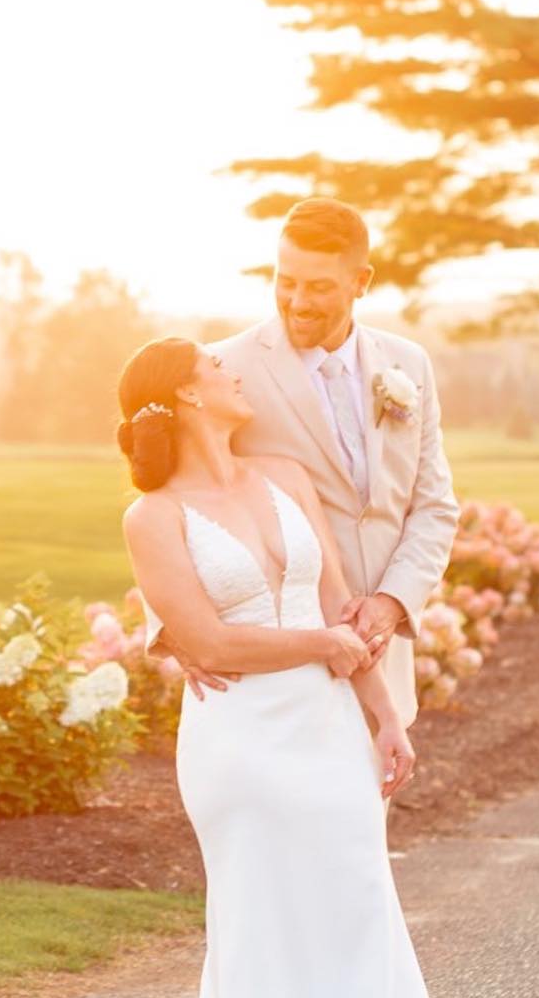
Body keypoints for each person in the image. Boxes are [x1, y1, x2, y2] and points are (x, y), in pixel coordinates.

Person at [118, 335, 488, 998]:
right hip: (239, 743)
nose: (233, 371)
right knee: (261, 929)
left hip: (326, 730)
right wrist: (320, 649)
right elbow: (205, 641)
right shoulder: (153, 517)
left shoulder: (283, 474)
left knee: (359, 912)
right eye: (215, 369)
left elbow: (332, 606)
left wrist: (380, 710)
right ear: (188, 398)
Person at [165, 197, 459, 732]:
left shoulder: (409, 364)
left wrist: (392, 603)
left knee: (369, 815)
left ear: (361, 281)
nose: (297, 301)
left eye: (319, 286)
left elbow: (434, 506)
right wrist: (172, 629)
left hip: (380, 654)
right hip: (277, 660)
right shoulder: (224, 368)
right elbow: (172, 497)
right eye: (286, 281)